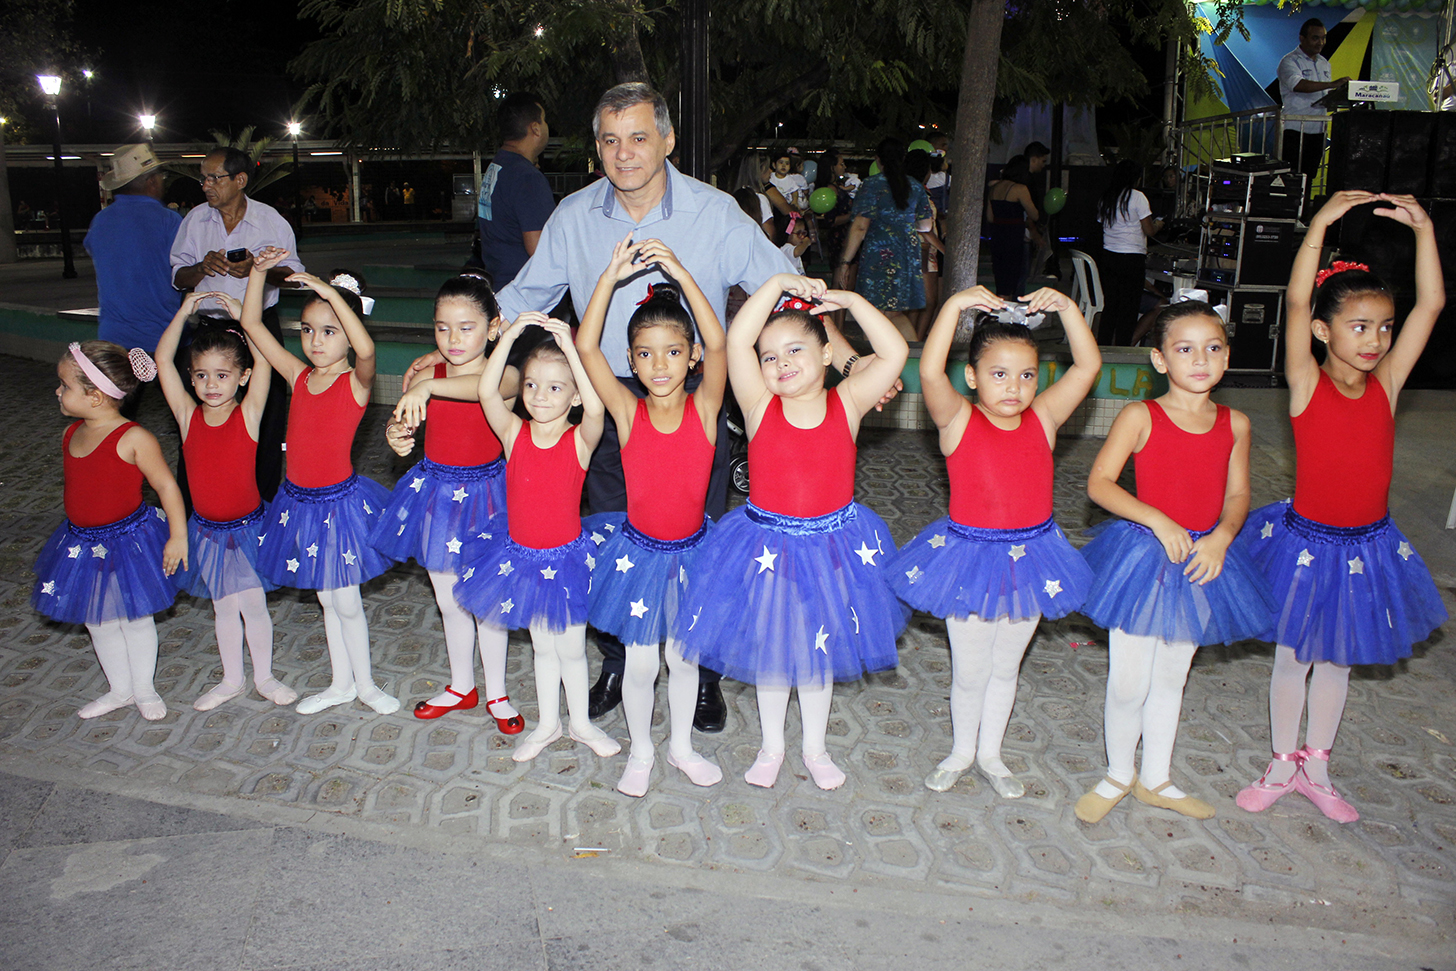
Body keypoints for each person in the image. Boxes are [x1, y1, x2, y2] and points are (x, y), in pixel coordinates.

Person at [407, 82, 882, 730]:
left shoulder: (714, 213)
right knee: (609, 537)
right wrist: (443, 359)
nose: (623, 152)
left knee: (696, 540)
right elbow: (519, 298)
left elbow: (790, 291)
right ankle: (614, 661)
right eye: (608, 139)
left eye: (636, 136)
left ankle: (701, 671)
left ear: (667, 139)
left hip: (694, 404)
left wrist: (851, 361)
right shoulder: (574, 218)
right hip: (607, 406)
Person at [1237, 192, 1447, 824]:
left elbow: (1432, 303)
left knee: (1337, 660)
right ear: (1324, 332)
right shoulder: (1307, 384)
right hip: (1306, 544)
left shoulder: (1386, 386)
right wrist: (1321, 224)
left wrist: (1427, 232)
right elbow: (1296, 300)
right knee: (1292, 658)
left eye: (1384, 327)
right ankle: (1280, 762)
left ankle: (1317, 767)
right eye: (1360, 327)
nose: (1377, 339)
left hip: (1367, 547)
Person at [679, 274, 909, 791]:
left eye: (796, 350)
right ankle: (771, 746)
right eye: (769, 356)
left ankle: (815, 747)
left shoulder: (847, 402)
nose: (781, 363)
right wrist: (778, 282)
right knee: (773, 649)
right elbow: (736, 338)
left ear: (827, 354)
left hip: (832, 547)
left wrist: (849, 300)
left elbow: (893, 352)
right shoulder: (760, 407)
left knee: (818, 652)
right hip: (768, 548)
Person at [888, 287, 1100, 797]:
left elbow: (1087, 367)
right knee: (970, 668)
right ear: (973, 376)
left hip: (1033, 556)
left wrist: (1069, 310)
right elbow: (931, 371)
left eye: (1027, 375)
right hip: (968, 558)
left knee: (1007, 667)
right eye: (999, 374)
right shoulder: (958, 419)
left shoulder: (1044, 418)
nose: (1014, 387)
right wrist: (953, 306)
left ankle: (991, 755)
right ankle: (962, 751)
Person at [1073, 300, 1275, 824]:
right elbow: (1099, 483)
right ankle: (1119, 773)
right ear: (1160, 360)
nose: (1199, 360)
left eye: (1212, 349)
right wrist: (1157, 519)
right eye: (1185, 350)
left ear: (1227, 358)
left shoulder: (1236, 424)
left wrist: (1223, 538)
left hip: (1202, 560)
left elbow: (1237, 496)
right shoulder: (1141, 415)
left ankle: (1157, 778)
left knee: (1172, 678)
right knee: (1129, 681)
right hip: (1144, 557)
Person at [576, 237, 728, 797]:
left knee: (683, 662)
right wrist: (610, 275)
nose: (658, 364)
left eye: (671, 351)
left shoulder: (707, 407)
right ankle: (641, 751)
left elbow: (719, 341)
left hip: (694, 554)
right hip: (638, 556)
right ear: (631, 360)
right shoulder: (626, 411)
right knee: (641, 666)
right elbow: (587, 346)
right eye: (644, 352)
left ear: (690, 357)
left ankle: (681, 747)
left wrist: (683, 271)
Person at [454, 314, 622, 764]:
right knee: (542, 648)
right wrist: (507, 338)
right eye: (531, 385)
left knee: (570, 647)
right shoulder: (514, 434)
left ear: (571, 397)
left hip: (565, 560)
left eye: (555, 387)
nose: (539, 396)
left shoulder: (579, 441)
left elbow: (598, 410)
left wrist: (570, 350)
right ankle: (548, 724)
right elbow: (487, 391)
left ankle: (581, 724)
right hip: (521, 560)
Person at [240, 249, 399, 716]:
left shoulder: (355, 381)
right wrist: (257, 273)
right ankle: (340, 683)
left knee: (346, 602)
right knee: (327, 602)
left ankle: (366, 684)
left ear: (348, 334)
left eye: (329, 331)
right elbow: (252, 325)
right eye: (307, 330)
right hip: (299, 504)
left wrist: (329, 293)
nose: (315, 341)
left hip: (338, 506)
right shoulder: (298, 376)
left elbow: (367, 350)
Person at [373, 275, 524, 733]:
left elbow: (483, 388)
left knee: (486, 597)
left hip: (489, 497)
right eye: (442, 328)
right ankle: (462, 685)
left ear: (493, 328)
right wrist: (398, 436)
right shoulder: (425, 376)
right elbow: (407, 427)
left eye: (466, 327)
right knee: (448, 597)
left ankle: (497, 692)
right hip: (437, 494)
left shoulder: (509, 376)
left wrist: (427, 388)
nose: (453, 340)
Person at [154, 293, 296, 712]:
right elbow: (162, 362)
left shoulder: (249, 414)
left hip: (250, 528)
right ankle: (232, 679)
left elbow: (268, 361)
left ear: (243, 377)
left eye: (221, 375)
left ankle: (265, 677)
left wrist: (245, 319)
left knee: (253, 605)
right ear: (191, 379)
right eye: (201, 376)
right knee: (223, 608)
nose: (210, 385)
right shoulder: (187, 415)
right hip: (208, 533)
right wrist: (182, 312)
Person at [32, 341, 187, 722]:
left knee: (135, 617)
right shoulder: (71, 435)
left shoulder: (134, 438)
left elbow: (167, 486)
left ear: (96, 396)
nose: (58, 391)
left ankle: (145, 689)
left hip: (129, 541)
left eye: (65, 385)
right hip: (81, 543)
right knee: (98, 619)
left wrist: (178, 536)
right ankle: (120, 689)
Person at [170, 147, 303, 502]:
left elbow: (293, 275)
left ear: (240, 180)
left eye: (214, 177)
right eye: (203, 178)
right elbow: (178, 277)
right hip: (209, 331)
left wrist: (259, 270)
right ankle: (196, 502)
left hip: (259, 329)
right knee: (199, 417)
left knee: (268, 417)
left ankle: (262, 503)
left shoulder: (270, 220)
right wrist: (201, 267)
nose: (205, 185)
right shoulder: (195, 221)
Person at [84, 145, 182, 358]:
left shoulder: (100, 221)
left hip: (113, 336)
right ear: (152, 182)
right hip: (163, 336)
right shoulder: (169, 220)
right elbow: (184, 270)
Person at [836, 137, 934, 323]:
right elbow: (926, 225)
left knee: (873, 316)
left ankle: (882, 352)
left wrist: (845, 262)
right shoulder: (915, 185)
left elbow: (860, 226)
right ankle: (912, 350)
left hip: (878, 254)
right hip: (907, 253)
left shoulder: (872, 184)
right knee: (895, 314)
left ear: (878, 159)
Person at [479, 92, 555, 289]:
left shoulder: (497, 166)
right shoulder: (527, 178)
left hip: (499, 285)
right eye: (544, 120)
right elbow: (539, 249)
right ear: (535, 128)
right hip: (526, 295)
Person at [1096, 159, 1162, 346]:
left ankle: (1103, 344)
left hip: (1109, 255)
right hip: (1132, 256)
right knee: (1129, 306)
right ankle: (1123, 346)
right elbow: (1149, 230)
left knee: (1111, 305)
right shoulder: (1138, 197)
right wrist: (1158, 224)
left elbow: (1102, 222)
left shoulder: (1107, 197)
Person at [1277, 19, 1347, 194]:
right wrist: (1332, 84)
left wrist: (1340, 94)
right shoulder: (1289, 61)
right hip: (1295, 128)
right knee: (1292, 176)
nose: (1321, 43)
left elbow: (1322, 94)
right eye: (1316, 38)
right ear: (1302, 38)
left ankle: (1304, 215)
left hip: (1318, 130)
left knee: (1309, 175)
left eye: (1323, 38)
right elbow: (1298, 85)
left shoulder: (1324, 63)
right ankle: (1290, 216)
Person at [986, 155, 1038, 300]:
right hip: (1013, 235)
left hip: (997, 234)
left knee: (1000, 275)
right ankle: (1008, 312)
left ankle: (1000, 308)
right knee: (1013, 274)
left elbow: (990, 217)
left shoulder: (994, 188)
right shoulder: (1020, 189)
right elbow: (1034, 214)